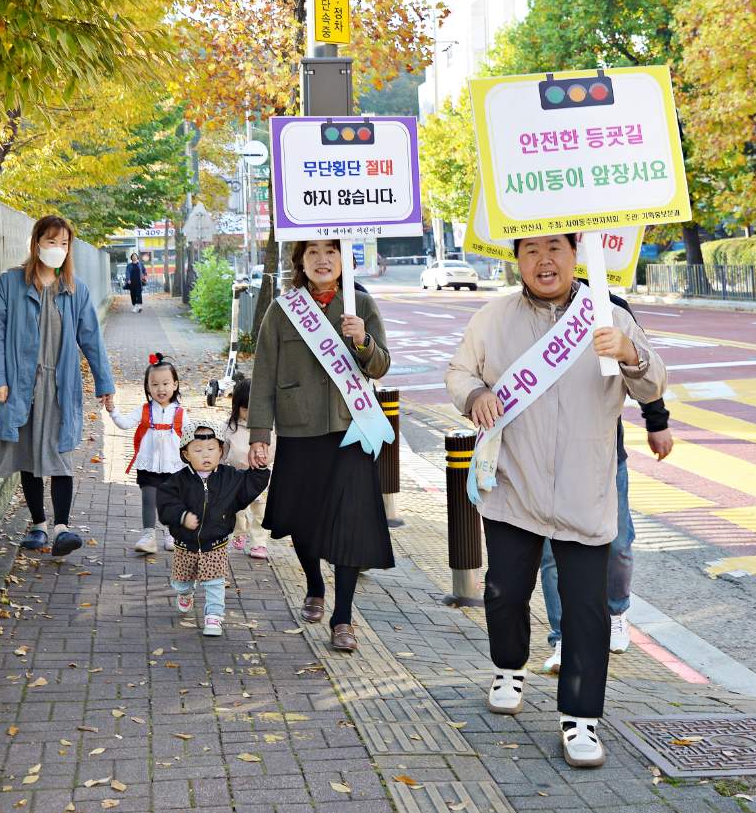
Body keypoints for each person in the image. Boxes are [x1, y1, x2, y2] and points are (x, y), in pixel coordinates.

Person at [444, 232, 665, 768]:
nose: (544, 260)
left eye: (555, 249)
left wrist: (630, 353)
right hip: (514, 483)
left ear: (576, 254)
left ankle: (581, 720)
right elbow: (458, 372)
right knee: (503, 591)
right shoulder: (493, 318)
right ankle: (508, 667)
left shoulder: (606, 313)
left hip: (584, 487)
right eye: (531, 251)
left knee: (587, 609)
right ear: (517, 260)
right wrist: (475, 396)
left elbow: (654, 383)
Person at [248, 238, 393, 653]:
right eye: (313, 252)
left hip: (350, 431)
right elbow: (263, 375)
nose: (323, 259)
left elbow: (381, 364)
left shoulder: (360, 305)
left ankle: (342, 616)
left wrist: (363, 341)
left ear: (344, 259)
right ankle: (314, 583)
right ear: (301, 262)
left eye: (331, 251)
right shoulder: (282, 310)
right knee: (302, 520)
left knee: (352, 523)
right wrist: (260, 434)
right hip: (298, 430)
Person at [540, 292, 675, 674]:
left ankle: (617, 611)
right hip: (546, 458)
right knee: (554, 552)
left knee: (617, 544)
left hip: (602, 451)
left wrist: (657, 421)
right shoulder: (521, 312)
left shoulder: (607, 305)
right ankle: (563, 638)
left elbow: (642, 367)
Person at [0, 215, 115, 557]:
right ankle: (38, 525)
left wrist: (105, 383)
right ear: (36, 243)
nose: (58, 249)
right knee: (28, 454)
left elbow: (91, 339)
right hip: (21, 384)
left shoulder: (75, 289)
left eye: (64, 243)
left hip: (60, 384)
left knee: (59, 455)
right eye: (51, 242)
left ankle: (62, 527)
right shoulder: (10, 284)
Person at [158, 419, 270, 636]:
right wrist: (181, 516)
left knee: (214, 583)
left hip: (216, 544)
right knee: (182, 582)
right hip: (185, 545)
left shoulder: (230, 478)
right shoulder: (178, 482)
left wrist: (261, 468)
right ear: (186, 454)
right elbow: (165, 503)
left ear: (221, 451)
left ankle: (214, 617)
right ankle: (185, 593)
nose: (205, 455)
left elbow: (250, 484)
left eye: (211, 449)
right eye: (198, 450)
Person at [108, 353, 188, 555]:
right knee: (149, 500)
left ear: (175, 385)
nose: (160, 389)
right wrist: (112, 411)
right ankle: (148, 537)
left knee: (171, 503)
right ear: (147, 387)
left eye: (165, 383)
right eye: (154, 384)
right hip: (148, 465)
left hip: (175, 467)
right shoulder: (144, 410)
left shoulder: (180, 413)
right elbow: (124, 424)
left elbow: (191, 436)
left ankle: (172, 535)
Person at [222, 379, 273, 560]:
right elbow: (223, 450)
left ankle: (259, 543)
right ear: (237, 407)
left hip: (260, 476)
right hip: (237, 476)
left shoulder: (268, 428)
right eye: (245, 409)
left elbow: (274, 448)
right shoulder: (230, 427)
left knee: (260, 512)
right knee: (237, 510)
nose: (250, 414)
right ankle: (239, 533)